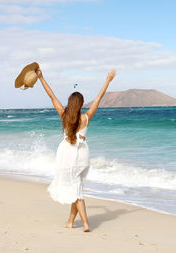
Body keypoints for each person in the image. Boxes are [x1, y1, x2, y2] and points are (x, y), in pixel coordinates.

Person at [35, 68, 116, 232]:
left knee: (76, 190)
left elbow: (51, 96)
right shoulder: (86, 117)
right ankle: (71, 222)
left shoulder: (64, 115)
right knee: (76, 187)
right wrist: (107, 80)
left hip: (67, 155)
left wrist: (41, 78)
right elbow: (98, 99)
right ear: (80, 105)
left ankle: (86, 224)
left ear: (70, 103)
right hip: (83, 155)